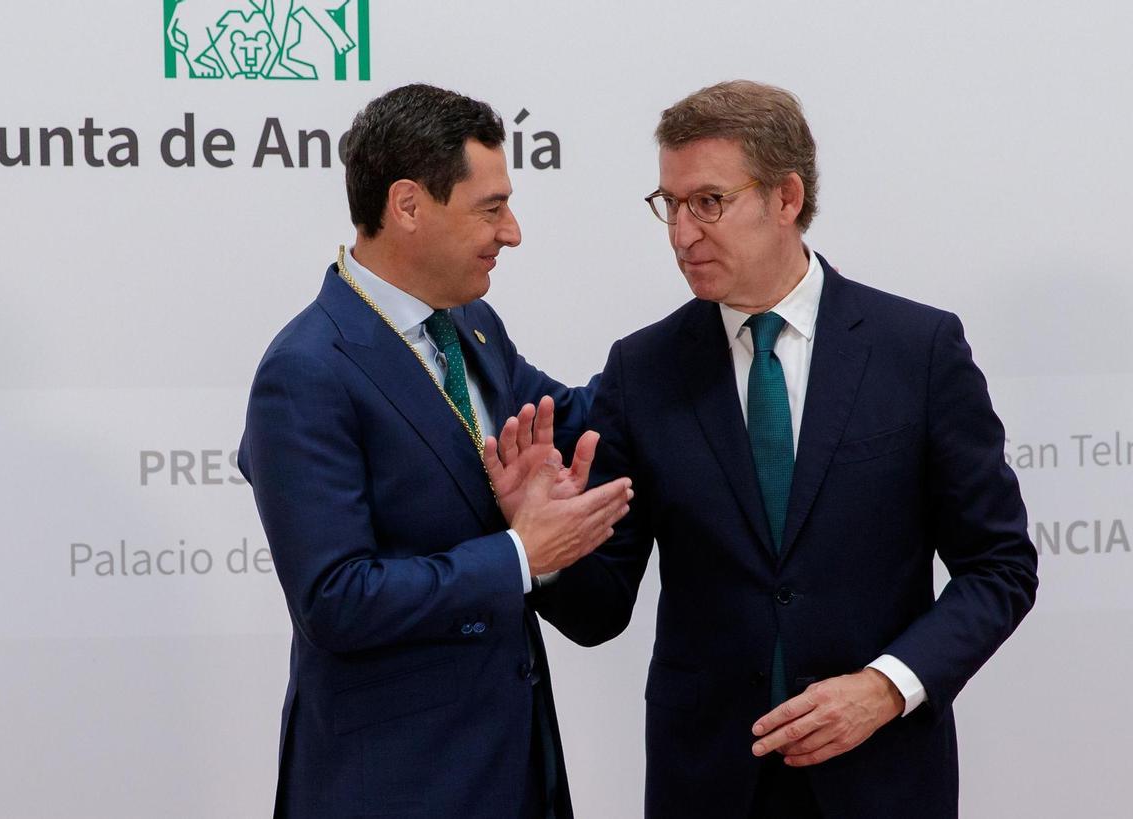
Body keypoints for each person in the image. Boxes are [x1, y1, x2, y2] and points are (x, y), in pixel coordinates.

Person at [532, 80, 1038, 818]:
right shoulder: (643, 369)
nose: (681, 233)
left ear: (786, 196)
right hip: (707, 783)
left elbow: (1000, 567)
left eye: (708, 201)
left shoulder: (917, 351)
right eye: (668, 204)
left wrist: (886, 685)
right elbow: (598, 609)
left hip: (880, 775)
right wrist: (545, 545)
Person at [238, 83, 632, 819]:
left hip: (514, 770)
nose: (511, 232)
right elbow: (335, 598)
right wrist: (522, 554)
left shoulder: (473, 326)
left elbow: (580, 415)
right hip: (393, 786)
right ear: (408, 205)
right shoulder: (305, 370)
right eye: (491, 208)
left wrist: (715, 333)